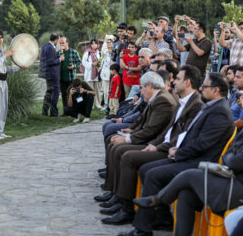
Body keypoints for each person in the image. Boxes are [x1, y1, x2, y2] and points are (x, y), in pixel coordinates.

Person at [120, 72, 235, 236]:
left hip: (199, 163)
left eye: (205, 86)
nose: (201, 88)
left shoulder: (220, 112)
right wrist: (176, 149)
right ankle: (163, 217)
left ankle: (142, 229)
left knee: (153, 174)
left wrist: (178, 154)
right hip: (190, 156)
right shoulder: (211, 106)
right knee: (146, 169)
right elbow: (191, 135)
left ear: (216, 90)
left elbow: (203, 144)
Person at [98, 65, 203, 225]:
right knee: (118, 148)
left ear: (187, 82)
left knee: (126, 155)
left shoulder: (189, 103)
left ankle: (126, 207)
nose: (174, 83)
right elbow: (165, 131)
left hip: (171, 151)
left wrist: (154, 146)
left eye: (178, 79)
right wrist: (143, 139)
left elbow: (179, 135)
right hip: (162, 144)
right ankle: (119, 197)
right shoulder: (181, 101)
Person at [134, 128, 243, 236]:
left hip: (238, 189)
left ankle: (157, 199)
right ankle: (159, 202)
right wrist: (231, 158)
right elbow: (227, 157)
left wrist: (231, 158)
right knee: (186, 194)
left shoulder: (220, 112)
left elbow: (235, 162)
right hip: (231, 179)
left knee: (189, 175)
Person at [102, 72, 177, 191]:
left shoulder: (163, 100)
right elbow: (142, 120)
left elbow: (152, 130)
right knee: (113, 142)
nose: (141, 92)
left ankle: (124, 201)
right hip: (150, 138)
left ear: (150, 86)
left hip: (154, 142)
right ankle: (112, 189)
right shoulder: (157, 97)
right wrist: (131, 131)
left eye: (142, 88)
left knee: (120, 150)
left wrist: (127, 138)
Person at [0, 29, 26, 140]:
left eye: (1, 38)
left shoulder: (1, 51)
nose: (0, 40)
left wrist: (18, 69)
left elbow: (5, 68)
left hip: (3, 81)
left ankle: (0, 131)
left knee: (3, 106)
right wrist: (5, 55)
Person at [39, 33, 63, 117]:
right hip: (52, 74)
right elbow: (50, 62)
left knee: (49, 93)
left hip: (49, 74)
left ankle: (44, 112)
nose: (59, 42)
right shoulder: (50, 47)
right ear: (56, 40)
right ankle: (53, 113)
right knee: (55, 93)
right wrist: (60, 59)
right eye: (59, 40)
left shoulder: (46, 46)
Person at [58, 37, 81, 112]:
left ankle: (76, 110)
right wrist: (61, 53)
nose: (62, 45)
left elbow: (79, 62)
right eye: (60, 43)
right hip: (61, 78)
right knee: (64, 95)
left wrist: (74, 66)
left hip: (71, 78)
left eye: (63, 43)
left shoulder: (74, 52)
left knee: (74, 94)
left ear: (67, 43)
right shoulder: (58, 53)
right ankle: (66, 111)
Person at [82, 39, 102, 109]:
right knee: (90, 90)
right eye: (92, 43)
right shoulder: (87, 52)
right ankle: (91, 104)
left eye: (95, 43)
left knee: (97, 90)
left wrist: (98, 64)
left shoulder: (98, 52)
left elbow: (100, 63)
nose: (93, 45)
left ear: (97, 44)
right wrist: (92, 64)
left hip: (97, 74)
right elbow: (83, 62)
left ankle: (98, 104)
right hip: (89, 74)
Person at [100, 35, 114, 111]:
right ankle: (106, 104)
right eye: (107, 42)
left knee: (112, 90)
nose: (109, 44)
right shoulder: (104, 52)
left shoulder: (115, 51)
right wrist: (105, 41)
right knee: (105, 91)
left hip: (113, 74)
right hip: (105, 74)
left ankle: (111, 104)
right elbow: (102, 52)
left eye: (110, 42)